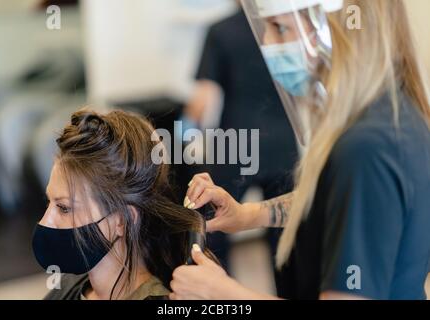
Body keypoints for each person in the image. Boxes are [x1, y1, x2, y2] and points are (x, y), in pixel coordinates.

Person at [170, 0, 430, 300]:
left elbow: (200, 104)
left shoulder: (364, 149)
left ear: (334, 32)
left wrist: (223, 294)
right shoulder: (396, 114)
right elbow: (340, 201)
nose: (267, 43)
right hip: (279, 151)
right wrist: (247, 216)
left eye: (280, 28)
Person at [32, 109, 215, 300]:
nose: (46, 221)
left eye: (64, 208)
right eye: (49, 202)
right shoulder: (66, 289)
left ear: (121, 221)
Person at [181, 4, 298, 286]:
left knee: (214, 224)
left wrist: (182, 132)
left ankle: (220, 290)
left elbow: (202, 98)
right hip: (283, 145)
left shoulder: (221, 30)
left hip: (237, 147)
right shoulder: (282, 25)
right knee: (285, 231)